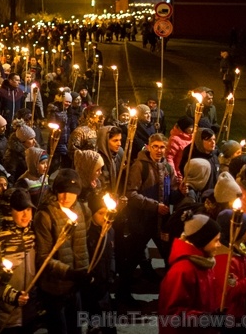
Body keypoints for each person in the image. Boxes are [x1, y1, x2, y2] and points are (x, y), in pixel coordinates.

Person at [118, 133, 179, 304]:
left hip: (160, 223)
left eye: (162, 147)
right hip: (142, 221)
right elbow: (131, 193)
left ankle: (170, 294)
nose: (159, 150)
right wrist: (154, 206)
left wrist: (180, 191)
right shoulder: (140, 166)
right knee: (133, 256)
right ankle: (123, 293)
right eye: (155, 146)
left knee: (169, 256)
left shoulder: (167, 168)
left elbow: (171, 194)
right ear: (149, 147)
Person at [33, 167, 91, 334]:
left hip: (75, 284)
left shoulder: (81, 209)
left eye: (71, 193)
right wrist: (69, 273)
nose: (66, 197)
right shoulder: (45, 215)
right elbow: (43, 257)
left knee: (76, 328)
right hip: (55, 286)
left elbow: (84, 240)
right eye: (62, 192)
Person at [157, 211, 222, 334]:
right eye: (216, 240)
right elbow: (173, 315)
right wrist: (208, 319)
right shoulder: (183, 270)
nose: (219, 245)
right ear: (202, 241)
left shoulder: (204, 262)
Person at [0, 187, 37, 332]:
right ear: (8, 211)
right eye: (20, 210)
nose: (25, 215)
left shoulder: (32, 236)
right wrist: (13, 297)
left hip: (29, 311)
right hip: (7, 314)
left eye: (28, 210)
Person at [82, 190, 117, 334]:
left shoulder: (110, 230)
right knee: (95, 320)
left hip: (105, 282)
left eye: (106, 212)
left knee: (108, 322)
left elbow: (112, 253)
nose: (104, 217)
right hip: (92, 285)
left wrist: (112, 271)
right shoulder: (87, 233)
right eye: (100, 213)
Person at [213, 209, 246, 334]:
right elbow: (231, 290)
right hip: (231, 318)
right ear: (239, 231)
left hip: (241, 313)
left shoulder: (238, 249)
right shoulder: (224, 258)